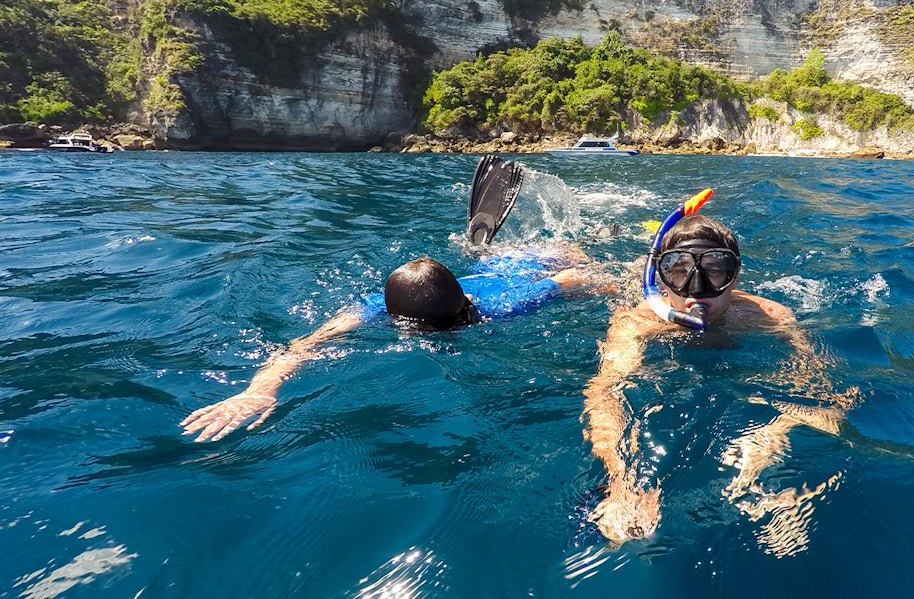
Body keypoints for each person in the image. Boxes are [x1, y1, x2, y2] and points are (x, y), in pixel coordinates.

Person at [182, 156, 601, 442]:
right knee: (564, 253)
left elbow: (306, 345)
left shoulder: (374, 308)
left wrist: (262, 389)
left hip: (520, 266)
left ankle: (497, 249)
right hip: (508, 274)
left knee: (562, 251)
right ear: (467, 299)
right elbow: (579, 277)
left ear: (391, 313)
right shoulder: (499, 307)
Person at [582, 190, 860, 552]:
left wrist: (771, 438)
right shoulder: (638, 323)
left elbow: (825, 394)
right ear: (660, 279)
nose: (698, 289)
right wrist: (621, 480)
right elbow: (606, 391)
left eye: (716, 271)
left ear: (736, 275)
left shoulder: (769, 318)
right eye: (678, 271)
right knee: (590, 279)